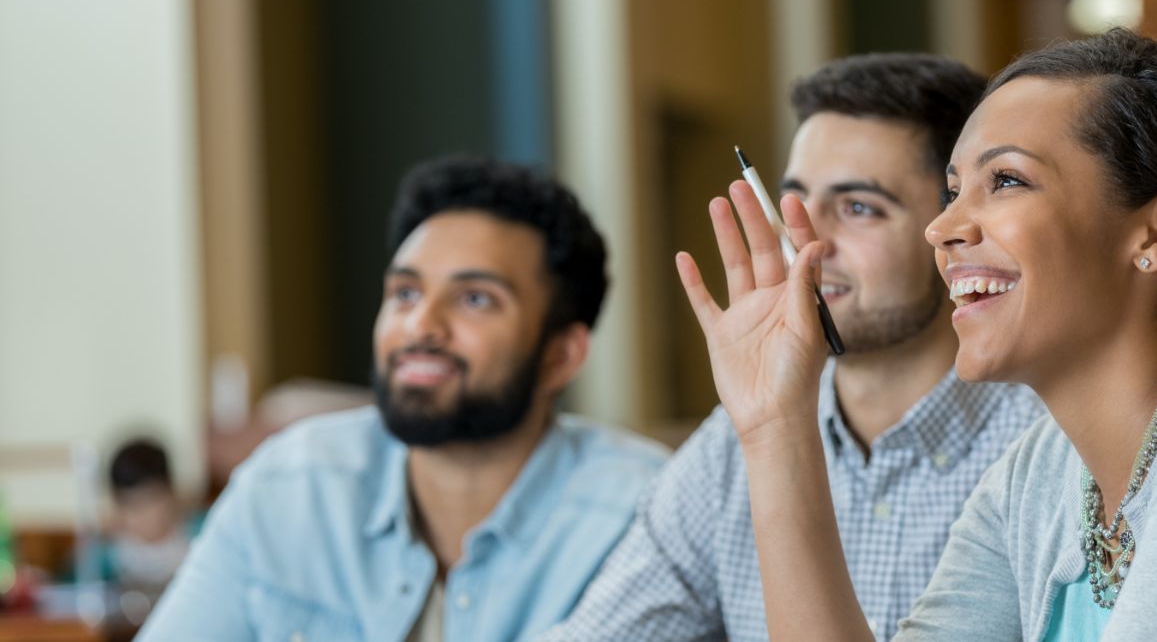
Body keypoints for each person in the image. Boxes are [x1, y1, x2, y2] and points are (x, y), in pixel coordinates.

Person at [677, 29, 1157, 640]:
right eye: (952, 191)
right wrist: (776, 425)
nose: (943, 228)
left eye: (1006, 180)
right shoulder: (1039, 475)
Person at [545, 54, 1045, 641]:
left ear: (954, 226)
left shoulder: (1042, 445)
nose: (806, 246)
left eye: (859, 208)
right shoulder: (732, 446)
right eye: (792, 205)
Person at [141, 157, 669, 641]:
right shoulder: (290, 489)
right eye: (406, 293)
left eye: (475, 298)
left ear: (561, 356)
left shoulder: (643, 520)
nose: (420, 324)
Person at [86, 438, 200, 592]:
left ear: (170, 492)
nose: (141, 515)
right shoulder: (105, 555)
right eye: (130, 504)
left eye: (149, 500)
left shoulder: (202, 536)